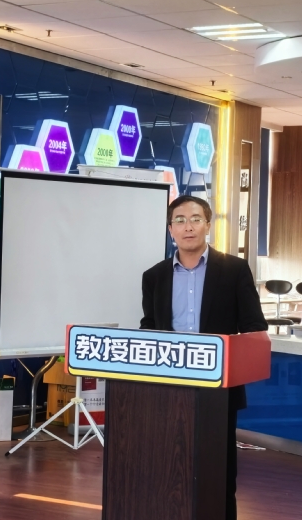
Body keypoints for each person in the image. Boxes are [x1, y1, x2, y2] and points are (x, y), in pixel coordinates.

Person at [140, 195, 267, 520]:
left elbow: (254, 328)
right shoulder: (154, 276)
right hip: (168, 390)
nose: (188, 227)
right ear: (171, 229)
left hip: (218, 391)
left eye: (195, 219)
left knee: (219, 474)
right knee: (169, 470)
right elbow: (150, 327)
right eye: (180, 220)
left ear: (208, 225)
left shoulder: (234, 270)